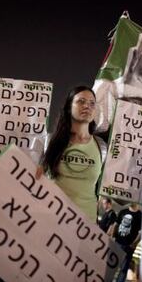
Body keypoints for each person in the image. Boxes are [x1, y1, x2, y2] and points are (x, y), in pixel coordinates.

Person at [36, 85, 107, 222]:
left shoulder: (102, 147)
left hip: (85, 226)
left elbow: (114, 190)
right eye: (81, 101)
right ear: (69, 107)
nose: (87, 106)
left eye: (92, 103)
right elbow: (35, 176)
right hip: (52, 218)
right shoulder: (50, 141)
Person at [112, 201, 142, 282]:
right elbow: (115, 225)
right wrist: (113, 237)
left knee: (123, 269)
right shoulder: (123, 211)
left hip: (128, 246)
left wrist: (134, 244)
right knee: (112, 267)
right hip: (118, 242)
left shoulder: (140, 215)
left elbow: (141, 232)